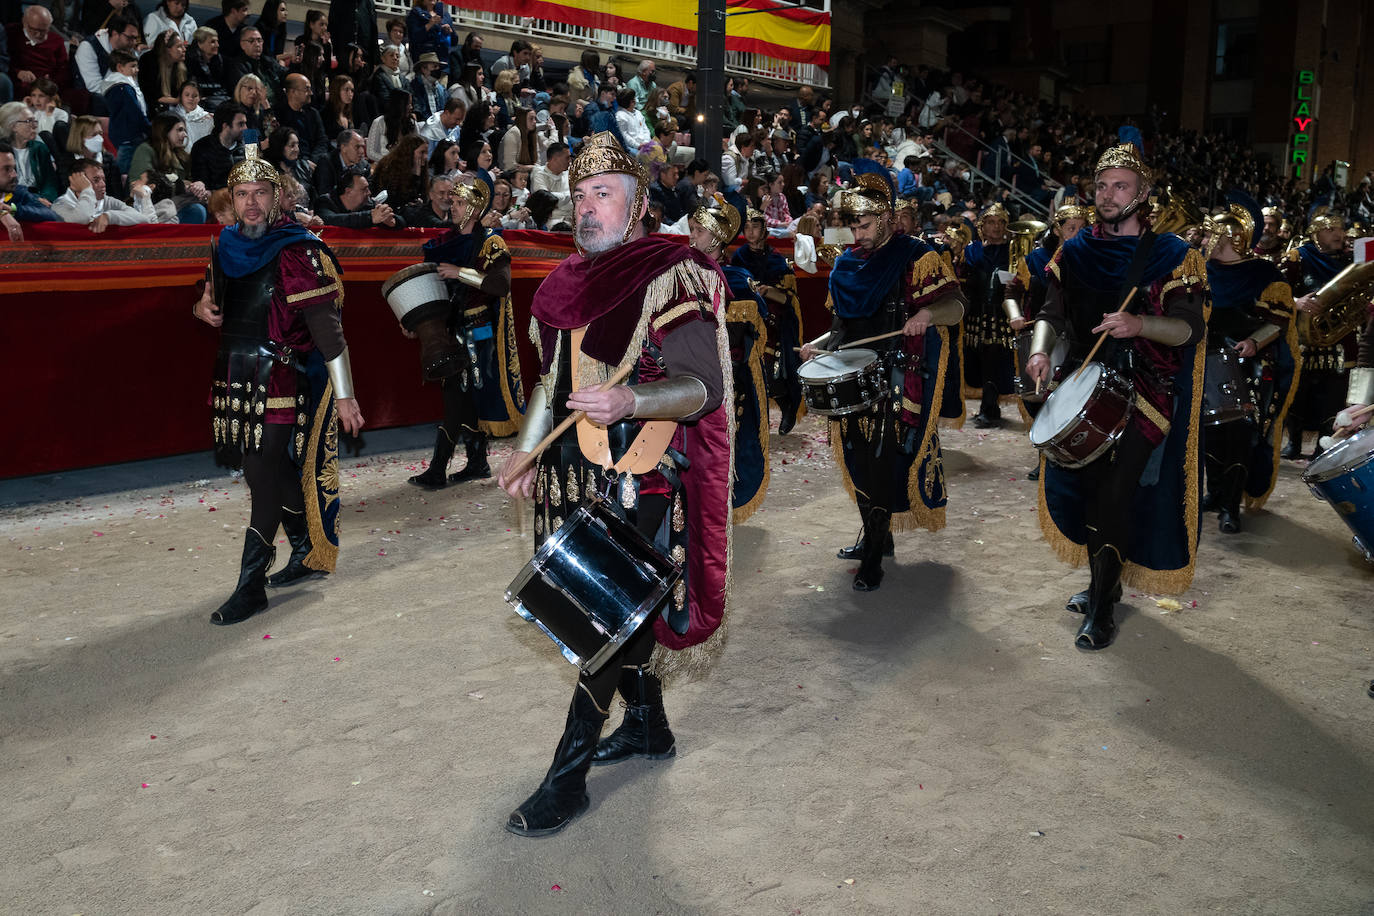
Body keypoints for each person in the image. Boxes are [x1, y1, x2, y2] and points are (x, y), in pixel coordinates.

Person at [495, 132, 732, 838]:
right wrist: (529, 449)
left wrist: (631, 401)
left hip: (641, 477)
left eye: (603, 196)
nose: (588, 210)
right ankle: (649, 725)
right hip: (575, 475)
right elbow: (551, 381)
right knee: (615, 618)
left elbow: (703, 388)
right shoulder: (564, 283)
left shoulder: (671, 274)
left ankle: (565, 781)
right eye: (580, 197)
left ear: (637, 210)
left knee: (602, 625)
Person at [1025, 144, 1208, 650]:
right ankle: (1100, 581)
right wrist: (1040, 351)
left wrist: (1139, 323)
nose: (1107, 195)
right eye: (1102, 186)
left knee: (1114, 495)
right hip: (1082, 380)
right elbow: (1051, 313)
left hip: (1143, 389)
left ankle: (1103, 606)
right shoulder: (1074, 250)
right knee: (1084, 494)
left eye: (1120, 186)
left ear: (1143, 194)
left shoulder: (1174, 254)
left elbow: (1188, 331)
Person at [191, 132, 363, 625]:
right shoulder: (223, 245)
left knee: (261, 475)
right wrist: (200, 307)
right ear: (231, 198)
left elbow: (328, 331)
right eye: (242, 193)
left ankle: (250, 586)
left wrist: (346, 396)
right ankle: (306, 544)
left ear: (277, 198)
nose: (250, 203)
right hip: (232, 375)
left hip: (280, 377)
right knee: (265, 469)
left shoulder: (296, 251)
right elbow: (209, 298)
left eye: (260, 193)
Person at [799, 161, 966, 591]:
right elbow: (842, 328)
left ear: (888, 218)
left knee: (881, 463)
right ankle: (878, 536)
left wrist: (927, 313)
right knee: (856, 459)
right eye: (854, 226)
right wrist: (820, 345)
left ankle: (873, 554)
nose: (859, 234)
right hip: (851, 376)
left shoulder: (917, 256)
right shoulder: (845, 266)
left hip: (896, 376)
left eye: (866, 224)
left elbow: (957, 307)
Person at [407, 174, 525, 488]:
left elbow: (500, 285)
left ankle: (438, 468)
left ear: (474, 208)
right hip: (451, 329)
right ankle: (476, 463)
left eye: (460, 203)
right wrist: (418, 321)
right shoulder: (446, 242)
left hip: (481, 333)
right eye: (453, 202)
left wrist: (462, 273)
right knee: (460, 399)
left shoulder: (491, 242)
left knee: (459, 400)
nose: (452, 207)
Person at [1200, 197, 1298, 533]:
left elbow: (1281, 318)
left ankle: (1231, 505)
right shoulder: (1199, 269)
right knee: (1209, 431)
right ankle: (1214, 493)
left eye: (1209, 234)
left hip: (1249, 364)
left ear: (1229, 238)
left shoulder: (1264, 273)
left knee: (1241, 435)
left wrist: (1255, 342)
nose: (1202, 240)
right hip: (1207, 361)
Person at [690, 195, 771, 522]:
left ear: (717, 238)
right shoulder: (682, 272)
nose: (691, 236)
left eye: (698, 231)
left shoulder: (737, 280)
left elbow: (740, 337)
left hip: (725, 380)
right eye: (691, 229)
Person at [1282, 213, 1354, 459]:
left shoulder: (1350, 261)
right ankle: (1294, 441)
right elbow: (1275, 292)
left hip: (1336, 340)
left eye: (1340, 229)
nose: (1338, 234)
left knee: (1332, 395)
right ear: (1315, 233)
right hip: (1302, 341)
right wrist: (1296, 302)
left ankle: (1323, 446)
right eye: (1331, 229)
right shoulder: (1297, 258)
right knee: (1297, 393)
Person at [733, 204, 805, 434]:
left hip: (775, 320)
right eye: (747, 227)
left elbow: (789, 298)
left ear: (764, 230)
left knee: (773, 372)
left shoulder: (777, 260)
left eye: (755, 226)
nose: (751, 232)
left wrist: (768, 291)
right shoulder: (738, 257)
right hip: (747, 319)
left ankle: (787, 408)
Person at [960, 202, 1017, 428]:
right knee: (980, 361)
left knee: (995, 360)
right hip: (976, 315)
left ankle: (988, 407)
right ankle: (990, 406)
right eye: (991, 222)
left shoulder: (1013, 250)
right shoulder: (973, 251)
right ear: (982, 226)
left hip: (1000, 316)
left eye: (1000, 222)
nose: (996, 227)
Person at [53, 157, 160, 228]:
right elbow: (82, 219)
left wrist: (109, 216)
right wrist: (87, 190)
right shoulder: (60, 204)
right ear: (77, 182)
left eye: (103, 179)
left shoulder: (107, 201)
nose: (103, 184)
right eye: (96, 180)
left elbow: (142, 218)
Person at [0, 102, 61, 201]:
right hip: (10, 200)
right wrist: (34, 199)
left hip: (41, 201)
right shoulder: (2, 153)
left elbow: (50, 184)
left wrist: (45, 199)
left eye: (35, 121)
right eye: (29, 121)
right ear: (13, 126)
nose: (35, 126)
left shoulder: (40, 148)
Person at [0, 141, 59, 241]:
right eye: (7, 169)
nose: (14, 175)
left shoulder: (20, 193)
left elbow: (51, 215)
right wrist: (2, 214)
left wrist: (14, 210)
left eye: (14, 168)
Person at [317, 166, 402, 228]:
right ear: (348, 191)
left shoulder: (368, 204)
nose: (369, 193)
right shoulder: (325, 202)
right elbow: (331, 220)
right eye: (364, 189)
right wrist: (370, 217)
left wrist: (392, 222)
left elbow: (401, 220)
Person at [190, 100, 247, 189]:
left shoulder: (247, 147)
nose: (245, 128)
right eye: (241, 124)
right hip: (216, 199)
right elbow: (201, 185)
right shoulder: (202, 148)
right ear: (225, 126)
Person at [273, 72, 328, 161]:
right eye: (307, 89)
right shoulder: (278, 114)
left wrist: (314, 159)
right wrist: (304, 162)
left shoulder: (313, 113)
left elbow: (322, 140)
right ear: (293, 92)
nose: (311, 93)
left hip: (315, 161)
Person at [313, 127, 367, 199]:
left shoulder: (364, 166)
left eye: (363, 147)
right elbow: (324, 194)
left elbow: (367, 193)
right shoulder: (326, 163)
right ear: (343, 147)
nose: (362, 151)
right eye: (357, 147)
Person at [528, 139, 571, 226]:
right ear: (555, 159)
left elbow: (577, 199)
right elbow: (545, 201)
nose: (570, 161)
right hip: (549, 222)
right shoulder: (539, 173)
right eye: (567, 158)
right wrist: (569, 196)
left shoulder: (570, 172)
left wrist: (557, 201)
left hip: (571, 218)